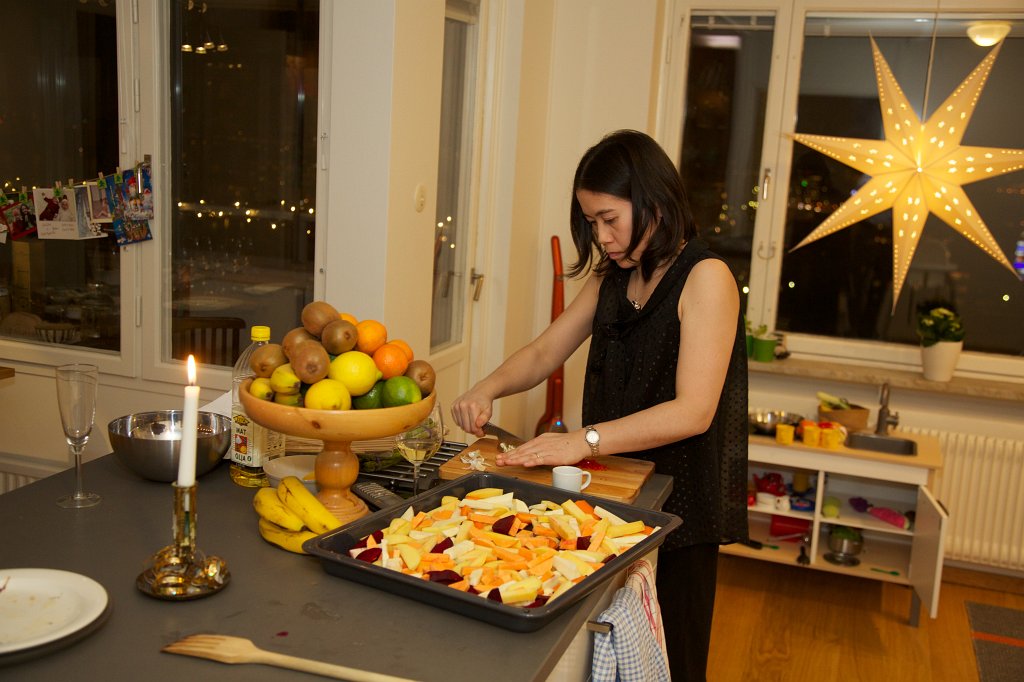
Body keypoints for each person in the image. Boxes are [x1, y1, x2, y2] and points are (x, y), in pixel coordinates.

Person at [451, 129, 748, 681]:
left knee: (673, 661)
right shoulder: (613, 277)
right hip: (610, 491)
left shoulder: (706, 278)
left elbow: (694, 411)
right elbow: (544, 352)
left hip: (678, 509)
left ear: (654, 201)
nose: (601, 236)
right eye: (591, 222)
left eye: (609, 219)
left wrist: (580, 441)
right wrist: (485, 387)